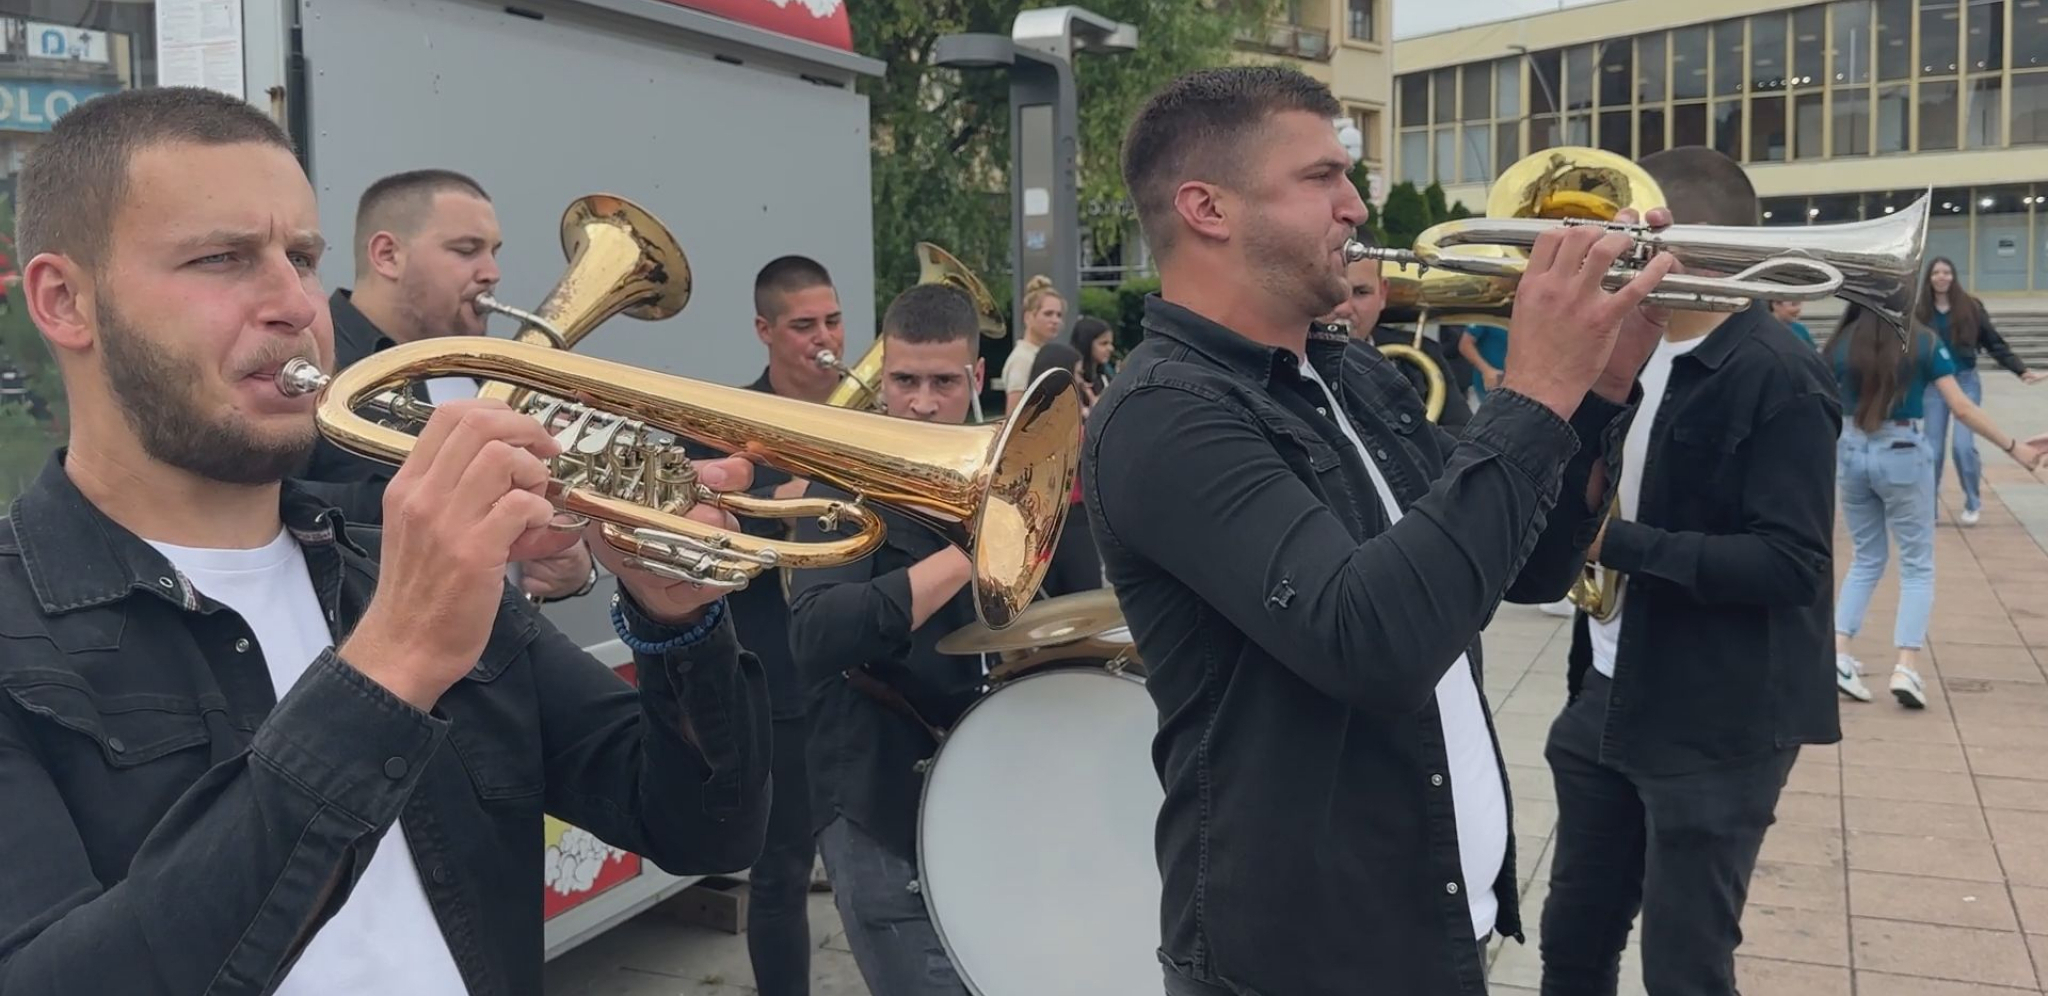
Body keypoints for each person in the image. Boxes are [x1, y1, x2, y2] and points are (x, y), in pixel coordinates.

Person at [0, 86, 769, 995]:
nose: (296, 303)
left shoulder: (389, 567)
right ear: (65, 301)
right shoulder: (22, 631)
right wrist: (390, 664)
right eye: (221, 259)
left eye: (301, 256)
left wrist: (675, 622)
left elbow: (703, 831)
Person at [1085, 66, 1677, 996]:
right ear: (1207, 207)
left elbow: (1526, 569)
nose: (1356, 207)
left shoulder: (1351, 375)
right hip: (1307, 962)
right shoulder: (1165, 415)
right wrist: (1535, 392)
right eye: (1322, 177)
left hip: (1435, 926)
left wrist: (1600, 385)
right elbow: (1373, 641)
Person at [1534, 147, 1844, 996]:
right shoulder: (1621, 355)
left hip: (1719, 719)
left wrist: (1615, 545)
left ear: (1688, 241)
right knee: (1572, 947)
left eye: (1627, 232)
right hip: (1606, 694)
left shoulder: (1778, 374)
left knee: (1684, 970)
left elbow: (1792, 565)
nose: (1605, 250)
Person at [785, 282, 1003, 996]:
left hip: (989, 785)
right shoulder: (840, 481)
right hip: (876, 790)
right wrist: (969, 555)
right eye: (904, 381)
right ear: (882, 381)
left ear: (974, 378)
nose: (921, 401)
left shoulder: (1012, 472)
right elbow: (817, 635)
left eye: (943, 382)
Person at [295, 169, 595, 603]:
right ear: (387, 256)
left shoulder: (490, 366)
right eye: (466, 250)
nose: (491, 272)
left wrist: (573, 569)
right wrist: (446, 495)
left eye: (494, 252)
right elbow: (257, 501)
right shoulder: (315, 358)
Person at [725, 254, 846, 996]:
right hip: (782, 681)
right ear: (765, 331)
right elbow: (717, 552)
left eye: (832, 321)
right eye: (804, 325)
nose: (824, 339)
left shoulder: (873, 417)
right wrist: (786, 498)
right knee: (780, 875)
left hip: (871, 673)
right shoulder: (729, 429)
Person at [1828, 298, 2043, 708]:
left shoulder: (1841, 341)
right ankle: (1906, 665)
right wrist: (2014, 448)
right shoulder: (1922, 341)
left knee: (1867, 557)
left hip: (1852, 451)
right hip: (1903, 451)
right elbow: (1961, 407)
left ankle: (1839, 654)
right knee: (1917, 565)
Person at [1914, 257, 2048, 526]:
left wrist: (2021, 370)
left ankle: (1972, 501)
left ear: (1953, 276)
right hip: (1934, 385)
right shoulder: (1919, 312)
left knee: (1963, 447)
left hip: (1965, 381)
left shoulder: (1971, 307)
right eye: (1936, 273)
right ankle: (1929, 507)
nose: (1942, 277)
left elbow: (1993, 343)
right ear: (1929, 278)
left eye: (1947, 272)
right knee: (1933, 449)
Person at [1324, 227, 1474, 429]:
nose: (1344, 308)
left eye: (1361, 292)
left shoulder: (1420, 355)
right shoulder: (1285, 362)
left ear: (1383, 293)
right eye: (1333, 292)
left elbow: (1460, 433)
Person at [1031, 341, 1104, 595]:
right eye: (1076, 373)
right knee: (1085, 601)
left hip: (1041, 524)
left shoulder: (1031, 419)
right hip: (1070, 519)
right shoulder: (1062, 422)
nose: (1082, 381)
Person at [1001, 274, 1065, 413]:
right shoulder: (1022, 359)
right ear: (1028, 317)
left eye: (1059, 315)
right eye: (1048, 314)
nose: (1055, 320)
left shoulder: (1040, 354)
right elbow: (1013, 415)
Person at [1071, 315, 1116, 401]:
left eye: (1111, 343)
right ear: (1086, 344)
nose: (1111, 348)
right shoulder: (1073, 379)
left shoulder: (1106, 379)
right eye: (1104, 343)